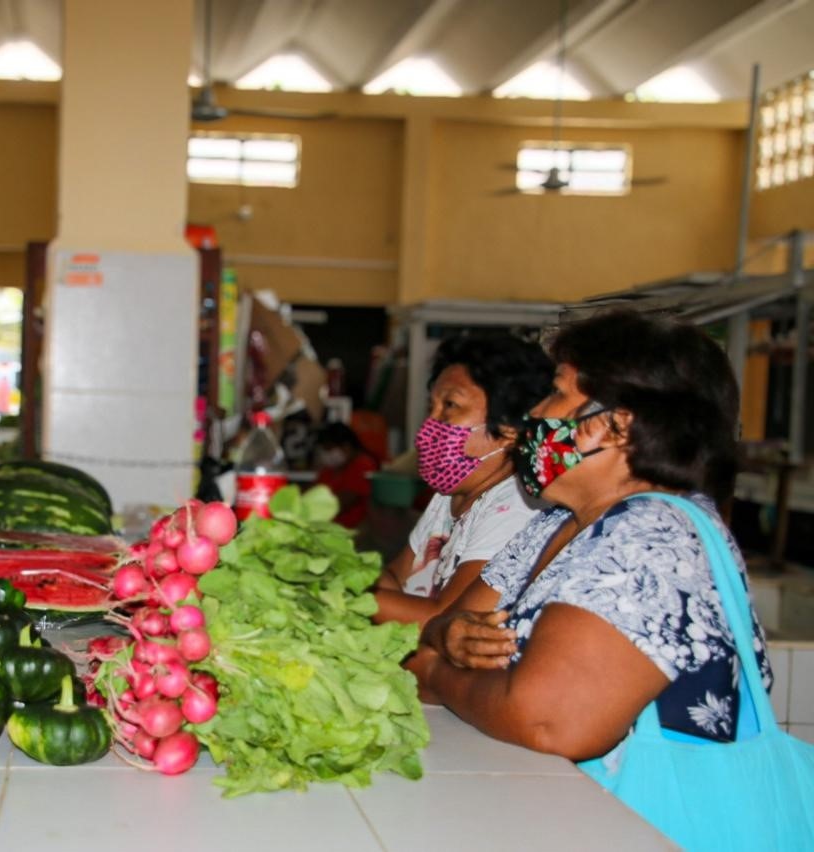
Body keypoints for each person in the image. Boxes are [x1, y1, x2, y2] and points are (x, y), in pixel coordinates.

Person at [413, 310, 772, 762]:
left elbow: (548, 720)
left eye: (557, 393)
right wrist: (447, 639)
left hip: (641, 826)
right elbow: (438, 631)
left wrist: (439, 675)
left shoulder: (654, 537)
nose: (535, 414)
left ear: (616, 425)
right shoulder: (556, 524)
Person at [373, 334, 553, 627]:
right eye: (431, 408)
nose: (431, 425)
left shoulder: (516, 507)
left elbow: (445, 621)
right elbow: (395, 579)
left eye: (450, 406)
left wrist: (341, 591)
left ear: (509, 428)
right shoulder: (451, 495)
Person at [312, 422, 378, 529]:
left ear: (346, 446)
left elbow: (343, 502)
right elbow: (314, 491)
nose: (326, 454)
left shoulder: (363, 465)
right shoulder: (329, 469)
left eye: (329, 448)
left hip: (353, 532)